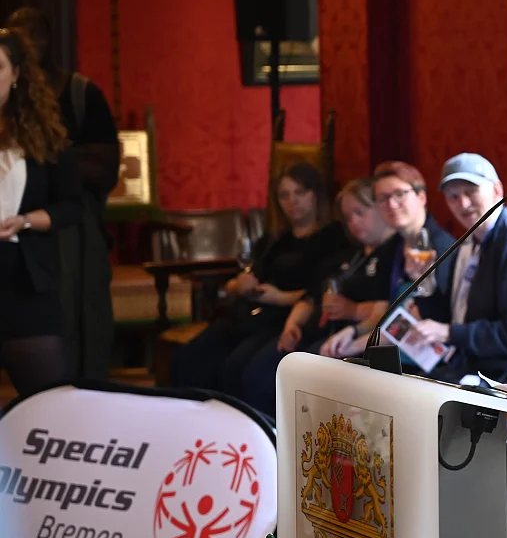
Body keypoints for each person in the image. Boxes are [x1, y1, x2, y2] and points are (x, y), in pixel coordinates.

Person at [169, 162, 353, 397]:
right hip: (250, 313)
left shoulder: (333, 237)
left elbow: (322, 291)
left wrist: (280, 298)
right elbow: (243, 279)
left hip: (284, 319)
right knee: (187, 359)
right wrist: (240, 284)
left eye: (300, 192)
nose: (293, 201)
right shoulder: (275, 238)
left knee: (236, 367)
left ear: (315, 194)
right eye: (284, 195)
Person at [6, 7, 120, 381]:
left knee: (54, 391)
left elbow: (86, 186)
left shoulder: (72, 100)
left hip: (35, 267)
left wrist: (24, 220)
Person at [239, 178, 396, 416]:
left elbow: (387, 310)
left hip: (353, 340)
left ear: (379, 209)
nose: (353, 223)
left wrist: (353, 310)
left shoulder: (392, 254)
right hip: (316, 328)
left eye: (359, 213)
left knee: (275, 381)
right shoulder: (350, 253)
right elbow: (312, 295)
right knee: (254, 373)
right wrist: (292, 325)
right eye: (348, 217)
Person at [410, 153, 507, 384]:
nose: (463, 204)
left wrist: (450, 333)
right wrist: (425, 285)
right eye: (453, 197)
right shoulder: (469, 242)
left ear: (497, 190)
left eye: (471, 192)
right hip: (469, 366)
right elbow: (452, 319)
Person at [0, 27, 82, 396]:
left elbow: (72, 206)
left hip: (25, 279)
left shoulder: (44, 135)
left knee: (51, 404)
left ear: (16, 74)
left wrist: (27, 220)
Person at [317, 161, 456, 370]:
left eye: (399, 194)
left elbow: (418, 321)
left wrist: (354, 345)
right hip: (393, 351)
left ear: (421, 197)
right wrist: (352, 332)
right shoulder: (391, 248)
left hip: (431, 362)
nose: (391, 204)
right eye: (382, 198)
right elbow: (384, 312)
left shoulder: (443, 248)